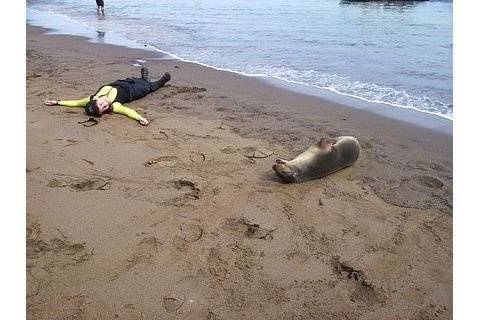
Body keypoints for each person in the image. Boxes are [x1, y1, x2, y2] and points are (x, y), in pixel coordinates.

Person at [44, 67, 171, 126]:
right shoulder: (114, 106)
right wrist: (140, 118)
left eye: (101, 105)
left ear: (96, 100)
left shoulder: (90, 98)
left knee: (137, 79)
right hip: (135, 91)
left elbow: (76, 103)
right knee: (149, 86)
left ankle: (143, 76)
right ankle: (161, 82)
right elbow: (128, 111)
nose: (104, 105)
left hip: (123, 83)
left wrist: (57, 102)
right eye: (103, 109)